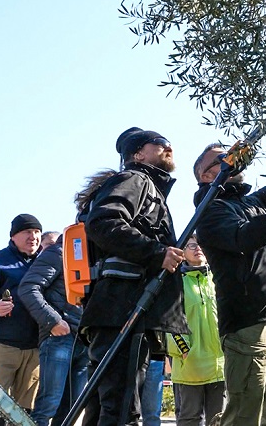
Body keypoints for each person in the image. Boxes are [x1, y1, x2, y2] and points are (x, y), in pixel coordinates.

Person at [79, 127, 188, 425]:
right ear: (139, 153)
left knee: (106, 405)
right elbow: (104, 222)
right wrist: (157, 253)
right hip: (123, 307)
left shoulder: (146, 187)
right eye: (161, 143)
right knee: (121, 406)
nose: (169, 147)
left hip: (119, 308)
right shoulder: (135, 179)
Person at [193, 142, 266, 426]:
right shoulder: (210, 212)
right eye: (222, 158)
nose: (231, 158)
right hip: (248, 327)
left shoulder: (250, 202)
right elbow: (245, 237)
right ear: (207, 175)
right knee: (244, 416)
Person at [0, 214, 42, 426]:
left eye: (37, 232)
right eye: (27, 232)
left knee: (27, 412)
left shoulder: (47, 262)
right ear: (13, 236)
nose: (33, 237)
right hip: (0, 346)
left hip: (36, 349)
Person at [18, 235, 89, 426]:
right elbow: (28, 288)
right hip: (60, 337)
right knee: (48, 405)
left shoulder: (92, 257)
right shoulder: (58, 253)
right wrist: (53, 321)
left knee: (72, 408)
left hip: (83, 339)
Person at [167, 234, 224, 426]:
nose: (197, 248)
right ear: (182, 253)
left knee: (219, 419)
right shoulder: (175, 283)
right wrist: (182, 349)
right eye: (191, 245)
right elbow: (168, 320)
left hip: (219, 363)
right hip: (189, 364)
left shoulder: (219, 278)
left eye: (200, 244)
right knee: (189, 418)